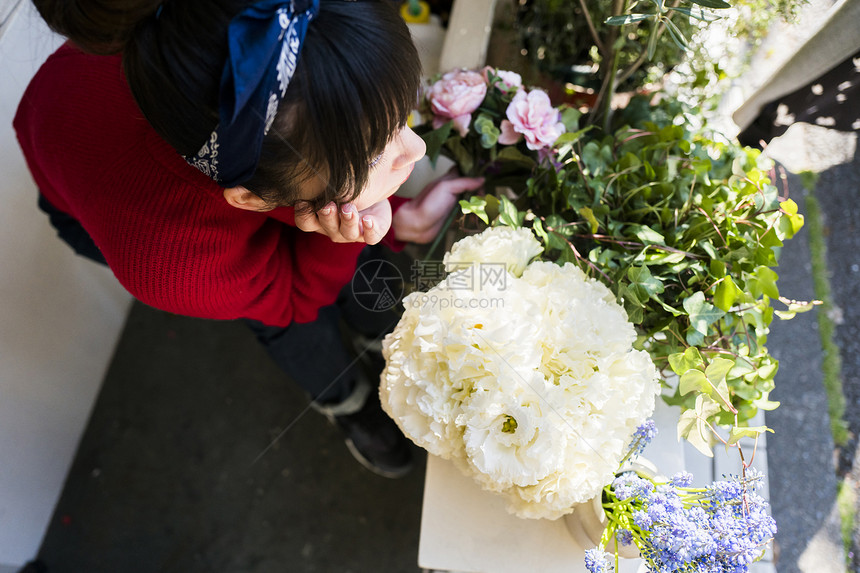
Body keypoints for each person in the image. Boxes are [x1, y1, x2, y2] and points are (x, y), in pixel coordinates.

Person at [14, 0, 484, 478]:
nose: (417, 148)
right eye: (374, 149)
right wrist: (345, 234)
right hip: (138, 221)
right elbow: (293, 299)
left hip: (259, 162)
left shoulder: (246, 74)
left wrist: (390, 215)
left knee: (355, 249)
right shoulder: (174, 264)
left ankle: (377, 327)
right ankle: (346, 400)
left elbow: (311, 170)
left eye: (397, 117)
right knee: (293, 329)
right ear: (254, 201)